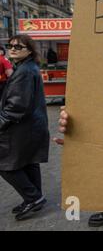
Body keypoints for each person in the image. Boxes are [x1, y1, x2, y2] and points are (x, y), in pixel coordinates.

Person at [0, 35, 49, 221]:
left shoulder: (24, 71)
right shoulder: (26, 67)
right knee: (29, 161)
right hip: (32, 125)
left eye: (18, 46)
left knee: (5, 164)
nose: (13, 48)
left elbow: (16, 106)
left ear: (29, 50)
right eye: (10, 45)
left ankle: (33, 197)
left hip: (24, 127)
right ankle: (35, 197)